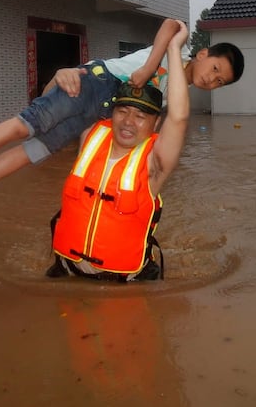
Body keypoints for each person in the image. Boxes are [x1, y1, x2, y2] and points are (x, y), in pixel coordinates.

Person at [0, 18, 244, 246]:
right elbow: (172, 25)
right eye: (215, 69)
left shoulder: (176, 92)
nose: (211, 80)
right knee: (26, 124)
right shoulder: (175, 52)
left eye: (219, 82)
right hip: (93, 83)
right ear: (203, 53)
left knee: (34, 152)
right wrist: (149, 66)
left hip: (100, 111)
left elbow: (159, 127)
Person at [45, 20, 190, 282]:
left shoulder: (154, 161)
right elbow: (46, 111)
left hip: (124, 284)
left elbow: (178, 117)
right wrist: (59, 77)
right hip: (68, 271)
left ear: (155, 123)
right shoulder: (91, 134)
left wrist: (174, 50)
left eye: (140, 116)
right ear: (111, 113)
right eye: (122, 111)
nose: (128, 121)